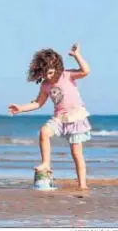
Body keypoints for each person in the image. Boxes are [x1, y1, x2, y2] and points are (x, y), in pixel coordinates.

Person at [8, 43, 92, 190]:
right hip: (59, 118)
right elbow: (38, 103)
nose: (48, 77)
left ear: (58, 68)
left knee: (76, 153)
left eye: (51, 73)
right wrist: (21, 108)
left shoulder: (67, 75)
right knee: (44, 131)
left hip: (76, 117)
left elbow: (86, 71)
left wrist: (77, 55)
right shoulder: (45, 85)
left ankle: (82, 185)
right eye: (45, 74)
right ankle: (46, 163)